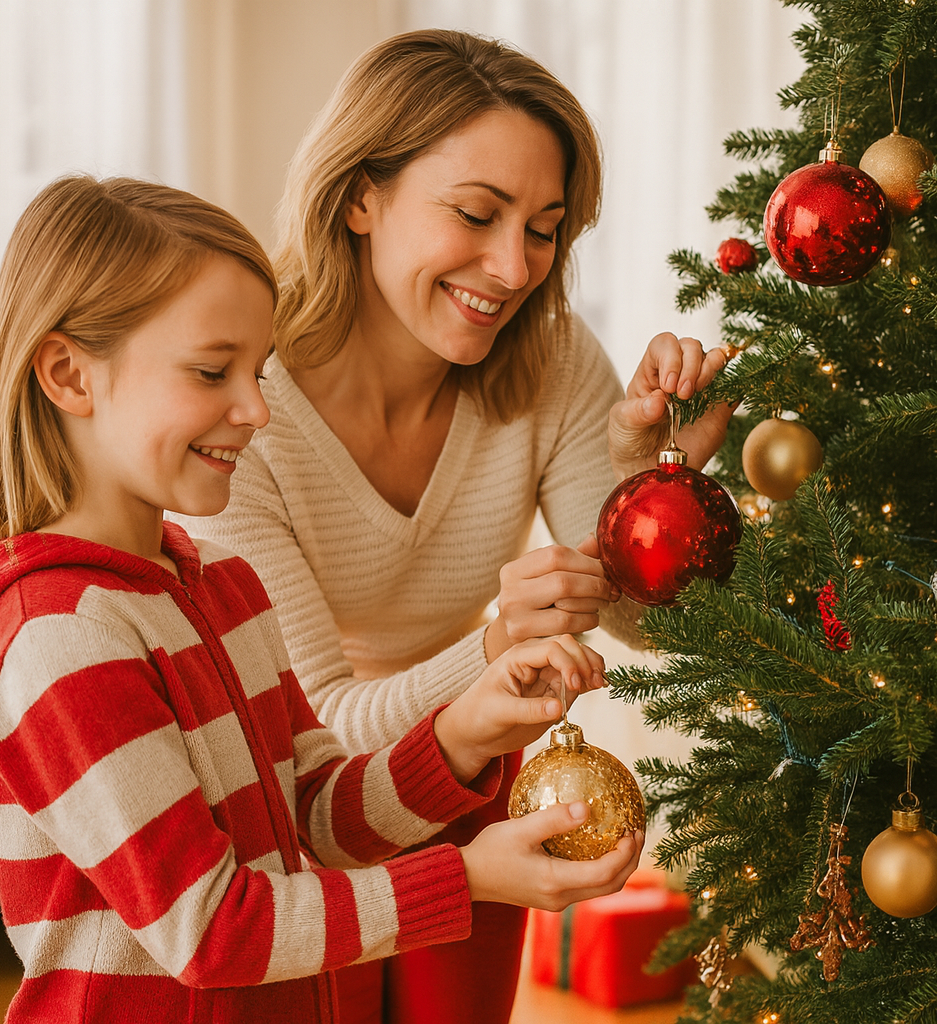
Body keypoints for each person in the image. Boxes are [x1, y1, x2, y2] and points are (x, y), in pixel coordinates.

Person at [0, 174, 642, 1024]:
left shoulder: (224, 587)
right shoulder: (55, 638)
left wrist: (466, 732)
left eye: (258, 372)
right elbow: (213, 930)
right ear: (69, 375)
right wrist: (468, 877)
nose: (256, 410)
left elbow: (319, 819)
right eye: (212, 371)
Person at [181, 28, 732, 1024]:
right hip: (291, 797)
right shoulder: (241, 403)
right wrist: (491, 648)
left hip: (468, 765)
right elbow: (319, 736)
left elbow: (649, 627)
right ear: (360, 196)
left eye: (544, 228)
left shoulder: (550, 357)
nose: (514, 267)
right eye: (477, 214)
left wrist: (650, 484)